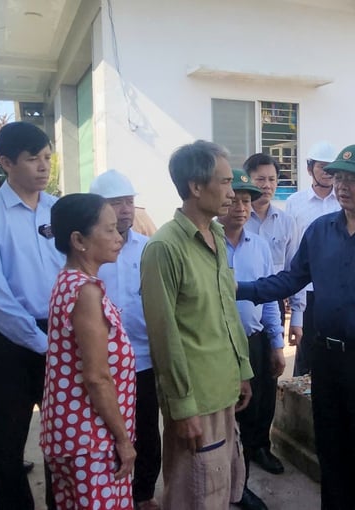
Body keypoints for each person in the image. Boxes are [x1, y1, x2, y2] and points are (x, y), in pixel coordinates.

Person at [238, 144, 355, 510]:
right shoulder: (321, 230)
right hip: (326, 359)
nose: (341, 185)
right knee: (332, 452)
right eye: (338, 176)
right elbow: (290, 280)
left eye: (353, 179)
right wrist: (238, 289)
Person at [140, 140, 252, 509]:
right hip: (195, 398)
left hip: (223, 389)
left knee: (221, 486)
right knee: (194, 493)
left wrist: (243, 369)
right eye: (224, 182)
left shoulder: (217, 235)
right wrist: (182, 406)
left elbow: (226, 313)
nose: (232, 192)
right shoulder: (164, 248)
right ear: (195, 187)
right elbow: (164, 335)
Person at [0, 122, 63, 510]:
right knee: (6, 446)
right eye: (33, 159)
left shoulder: (59, 210)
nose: (44, 167)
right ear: (6, 162)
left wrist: (64, 339)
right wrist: (43, 344)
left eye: (47, 158)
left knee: (62, 442)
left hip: (60, 335)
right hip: (9, 342)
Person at [41, 193, 136, 510]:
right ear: (79, 240)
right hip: (92, 441)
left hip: (75, 436)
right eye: (108, 230)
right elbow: (96, 377)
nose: (118, 237)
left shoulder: (70, 282)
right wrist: (123, 440)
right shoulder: (84, 291)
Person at [90, 170, 161, 510]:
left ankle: (143, 494)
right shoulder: (86, 253)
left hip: (143, 358)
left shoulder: (149, 248)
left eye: (129, 202)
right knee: (105, 432)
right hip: (98, 362)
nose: (125, 210)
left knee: (146, 430)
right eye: (116, 203)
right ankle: (109, 494)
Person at [219, 169, 284, 510]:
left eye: (246, 201)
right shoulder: (208, 243)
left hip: (253, 339)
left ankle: (249, 466)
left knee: (256, 406)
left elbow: (270, 297)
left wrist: (276, 342)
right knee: (225, 417)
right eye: (234, 200)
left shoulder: (258, 246)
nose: (241, 208)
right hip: (218, 345)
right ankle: (229, 484)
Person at [242, 153, 301, 474]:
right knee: (238, 382)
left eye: (272, 180)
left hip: (271, 307)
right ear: (247, 179)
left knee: (267, 380)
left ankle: (259, 447)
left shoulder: (286, 221)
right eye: (260, 179)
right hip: (235, 306)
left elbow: (296, 271)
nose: (266, 186)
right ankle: (238, 449)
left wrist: (298, 319)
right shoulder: (233, 216)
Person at [284, 141, 339, 376]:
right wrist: (289, 286)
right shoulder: (295, 203)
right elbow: (291, 247)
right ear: (309, 169)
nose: (327, 173)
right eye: (321, 167)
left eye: (331, 168)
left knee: (336, 345)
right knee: (306, 347)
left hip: (339, 287)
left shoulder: (343, 201)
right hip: (307, 288)